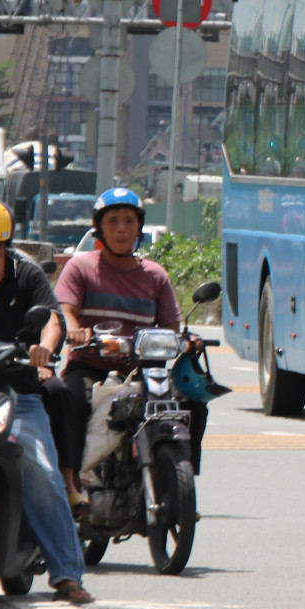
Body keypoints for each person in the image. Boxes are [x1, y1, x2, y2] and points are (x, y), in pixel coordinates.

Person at [0, 198, 90, 604]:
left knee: (42, 473)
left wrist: (45, 350)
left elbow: (51, 319)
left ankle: (67, 573)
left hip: (16, 394)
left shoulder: (26, 275)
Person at [54, 188, 197, 471]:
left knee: (191, 404)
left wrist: (185, 340)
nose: (122, 229)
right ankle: (70, 481)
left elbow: (170, 325)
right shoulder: (80, 268)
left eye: (129, 221)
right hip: (90, 367)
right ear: (98, 228)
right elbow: (65, 310)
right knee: (70, 401)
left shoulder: (156, 275)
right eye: (113, 221)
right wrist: (75, 331)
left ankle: (182, 469)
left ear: (139, 227)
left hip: (144, 369)